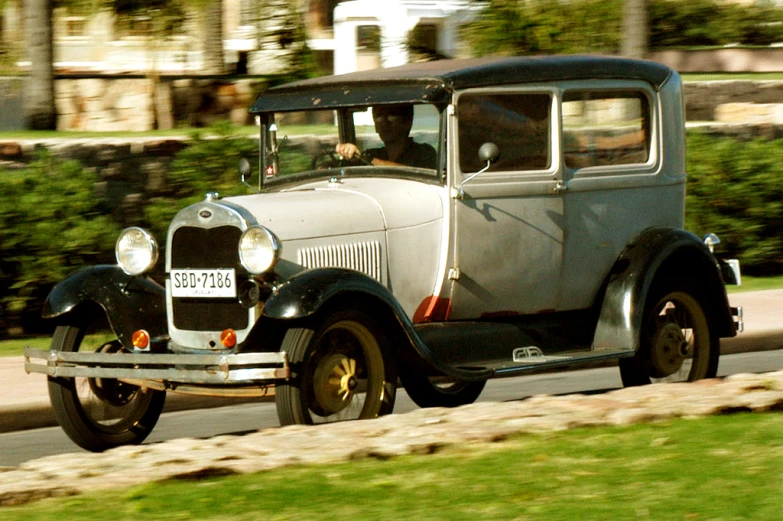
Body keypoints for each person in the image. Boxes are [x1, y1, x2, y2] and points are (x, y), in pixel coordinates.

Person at [335, 105, 437, 169]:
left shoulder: (424, 152)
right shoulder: (373, 153)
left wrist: (365, 158)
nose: (384, 122)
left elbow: (414, 174)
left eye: (391, 115)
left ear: (407, 122)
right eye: (379, 116)